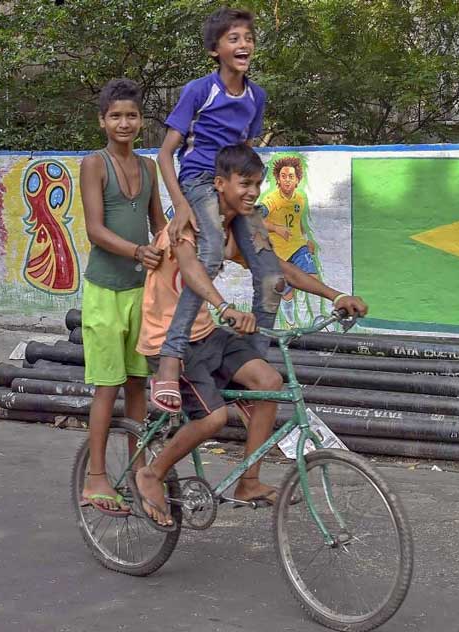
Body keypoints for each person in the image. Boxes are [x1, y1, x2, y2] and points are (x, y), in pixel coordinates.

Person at [133, 144, 367, 528]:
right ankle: (151, 473)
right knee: (214, 419)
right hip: (168, 342)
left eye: (257, 185)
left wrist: (336, 295)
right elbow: (191, 269)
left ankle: (249, 481)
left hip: (207, 332)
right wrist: (225, 307)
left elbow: (278, 268)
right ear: (219, 184)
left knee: (269, 382)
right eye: (245, 184)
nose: (253, 193)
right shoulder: (189, 222)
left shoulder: (232, 230)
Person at [153, 7, 283, 412]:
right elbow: (165, 154)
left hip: (231, 185)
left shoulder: (256, 96)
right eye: (234, 38)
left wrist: (252, 204)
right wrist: (180, 206)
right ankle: (171, 355)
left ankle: (253, 363)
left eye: (248, 38)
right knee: (209, 253)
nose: (244, 45)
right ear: (215, 50)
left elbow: (246, 152)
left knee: (272, 275)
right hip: (198, 181)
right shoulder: (200, 90)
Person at [78, 79, 167, 514]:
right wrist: (137, 251)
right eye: (115, 116)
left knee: (137, 384)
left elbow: (159, 224)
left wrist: (182, 249)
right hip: (105, 292)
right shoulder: (94, 164)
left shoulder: (149, 168)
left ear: (141, 121)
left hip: (140, 292)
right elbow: (95, 230)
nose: (124, 123)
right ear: (102, 121)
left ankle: (138, 470)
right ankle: (95, 478)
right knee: (108, 386)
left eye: (131, 115)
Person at [260, 155, 321, 326]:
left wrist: (306, 239)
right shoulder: (271, 199)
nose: (287, 180)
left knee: (313, 280)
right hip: (279, 254)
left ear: (297, 180)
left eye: (291, 176)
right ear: (278, 179)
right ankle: (291, 324)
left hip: (298, 247)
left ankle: (316, 318)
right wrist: (276, 228)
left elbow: (298, 222)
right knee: (287, 294)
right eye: (283, 176)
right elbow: (256, 218)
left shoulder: (300, 198)